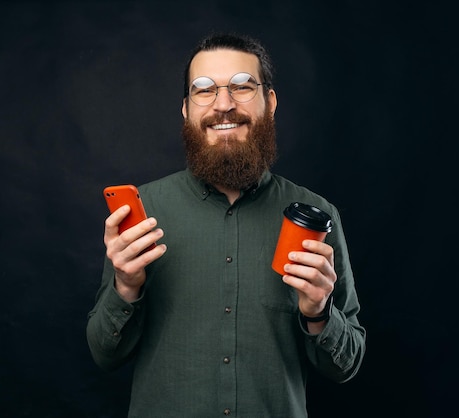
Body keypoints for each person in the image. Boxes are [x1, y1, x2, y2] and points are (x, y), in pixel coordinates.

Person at [87, 33, 366, 417]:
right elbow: (104, 354)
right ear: (186, 110)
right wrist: (126, 287)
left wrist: (319, 312)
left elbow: (346, 365)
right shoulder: (142, 214)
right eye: (204, 90)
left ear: (270, 102)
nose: (223, 104)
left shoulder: (318, 216)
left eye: (242, 86)